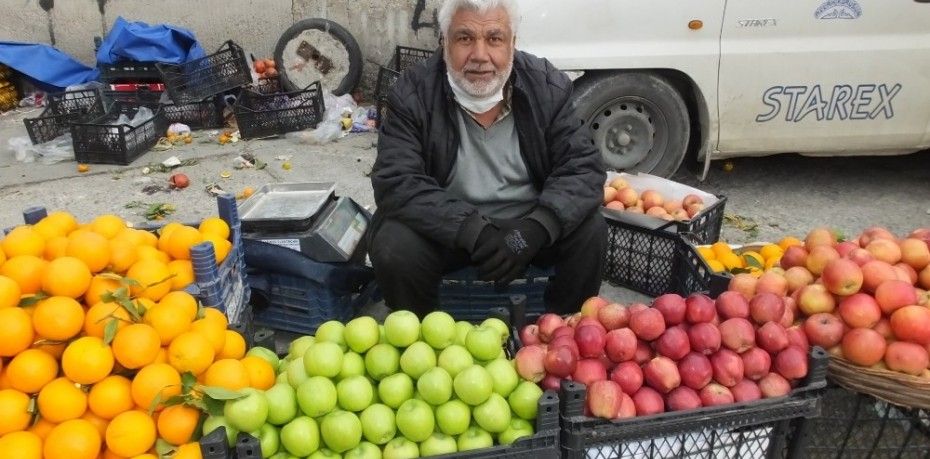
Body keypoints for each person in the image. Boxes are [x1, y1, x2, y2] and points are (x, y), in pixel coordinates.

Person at [368, 0, 607, 317]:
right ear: (444, 43)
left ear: (512, 44)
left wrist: (535, 229)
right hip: (448, 231)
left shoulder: (546, 86)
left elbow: (583, 168)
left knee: (591, 229)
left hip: (524, 230)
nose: (480, 56)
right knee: (394, 245)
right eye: (465, 38)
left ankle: (563, 333)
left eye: (494, 39)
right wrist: (473, 231)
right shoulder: (412, 93)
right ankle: (421, 338)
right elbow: (396, 180)